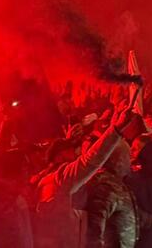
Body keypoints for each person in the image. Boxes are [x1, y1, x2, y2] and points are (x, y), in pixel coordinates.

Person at [34, 105, 139, 248]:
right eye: (72, 149)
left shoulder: (47, 181)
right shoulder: (60, 180)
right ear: (60, 156)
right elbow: (89, 163)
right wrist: (116, 130)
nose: (77, 153)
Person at [84, 141, 137, 248]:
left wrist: (151, 221)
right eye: (128, 157)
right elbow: (95, 224)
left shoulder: (116, 183)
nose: (130, 161)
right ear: (118, 160)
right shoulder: (106, 187)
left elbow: (125, 209)